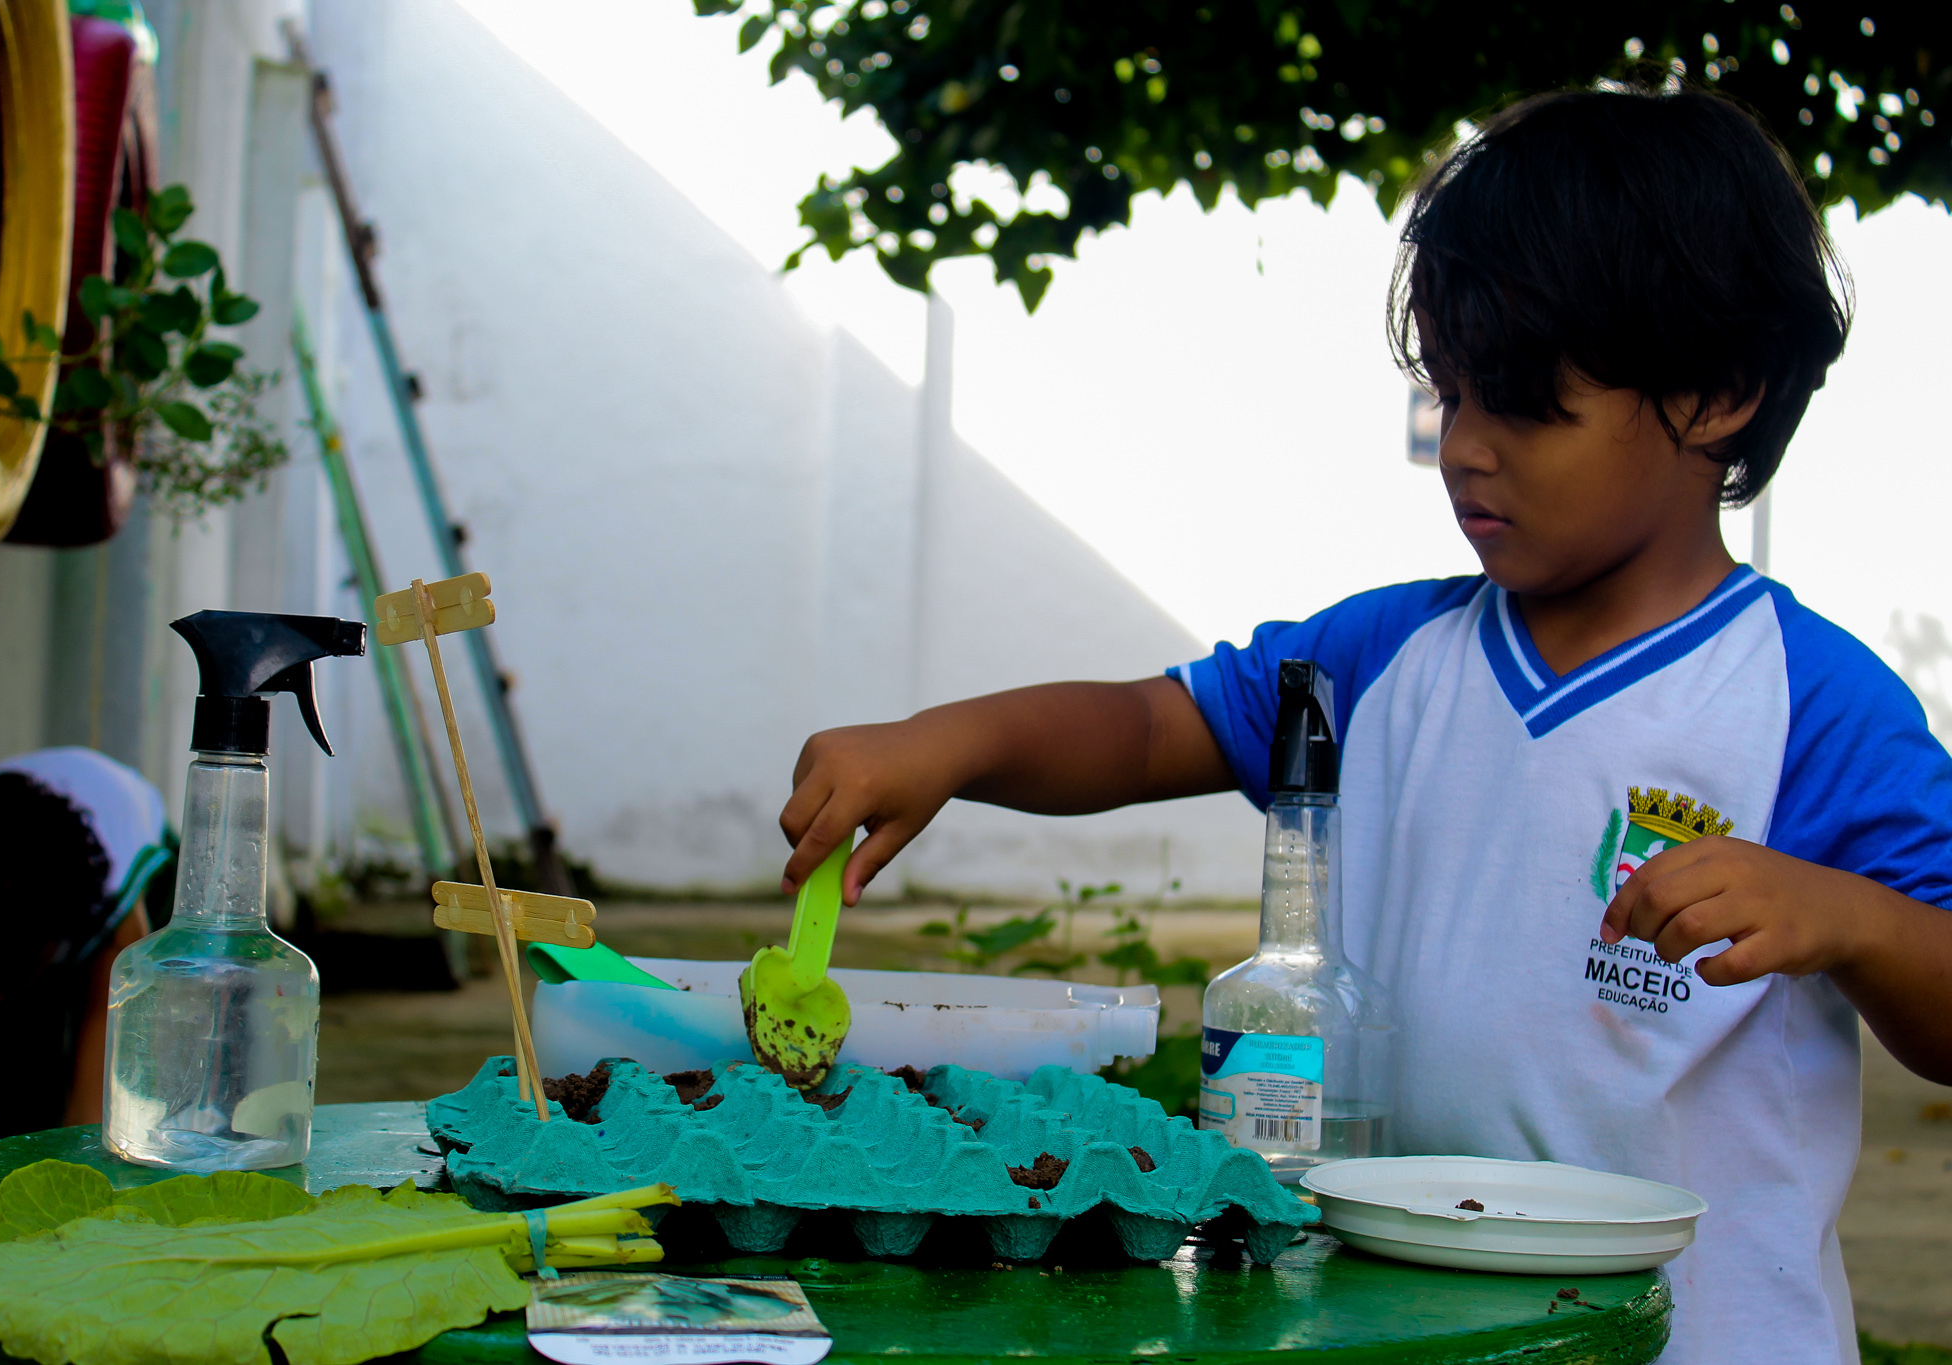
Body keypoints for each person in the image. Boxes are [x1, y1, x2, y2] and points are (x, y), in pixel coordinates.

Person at [775, 85, 1952, 1365]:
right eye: (1448, 394)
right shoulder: (1379, 655)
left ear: (1717, 392)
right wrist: (948, 743)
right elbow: (1148, 728)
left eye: (1520, 401)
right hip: (1401, 1329)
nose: (1464, 449)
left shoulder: (1811, 704)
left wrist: (1853, 919)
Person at [0, 747, 170, 1154]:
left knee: (67, 1094)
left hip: (138, 880)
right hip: (6, 909)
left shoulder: (115, 920)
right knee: (14, 1081)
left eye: (9, 971)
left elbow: (89, 1110)